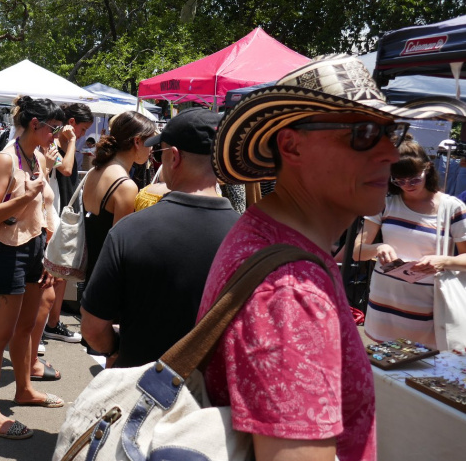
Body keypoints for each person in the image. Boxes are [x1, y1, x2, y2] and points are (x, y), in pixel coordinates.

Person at [203, 55, 466, 461]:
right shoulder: (292, 290)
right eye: (363, 132)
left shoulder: (279, 243)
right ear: (291, 144)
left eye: (391, 132)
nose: (389, 154)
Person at [80, 108, 238, 368]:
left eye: (161, 152)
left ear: (174, 157)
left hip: (141, 387)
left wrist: (114, 349)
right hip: (213, 395)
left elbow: (93, 327)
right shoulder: (248, 238)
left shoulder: (130, 229)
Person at [0, 96, 64, 440]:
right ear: (34, 125)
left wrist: (47, 250)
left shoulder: (38, 156)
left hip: (34, 249)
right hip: (6, 252)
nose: (55, 137)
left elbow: (42, 208)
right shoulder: (5, 159)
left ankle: (24, 388)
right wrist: (25, 196)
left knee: (27, 328)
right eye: (52, 129)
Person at [354, 138, 466, 347]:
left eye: (414, 179)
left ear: (427, 168)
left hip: (430, 310)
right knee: (382, 372)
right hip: (384, 305)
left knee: (422, 370)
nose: (407, 186)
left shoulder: (453, 208)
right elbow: (357, 252)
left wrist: (442, 261)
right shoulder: (385, 204)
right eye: (399, 181)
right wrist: (379, 247)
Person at [81, 111, 156, 284]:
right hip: (108, 283)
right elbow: (120, 248)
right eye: (150, 142)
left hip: (91, 276)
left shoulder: (96, 170)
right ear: (137, 141)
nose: (152, 149)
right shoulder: (125, 186)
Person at [42, 103, 93, 346]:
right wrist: (72, 142)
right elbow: (67, 168)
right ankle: (38, 329)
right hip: (48, 212)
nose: (82, 135)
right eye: (82, 129)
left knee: (61, 272)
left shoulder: (57, 143)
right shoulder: (51, 141)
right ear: (71, 123)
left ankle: (52, 324)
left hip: (62, 211)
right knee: (47, 275)